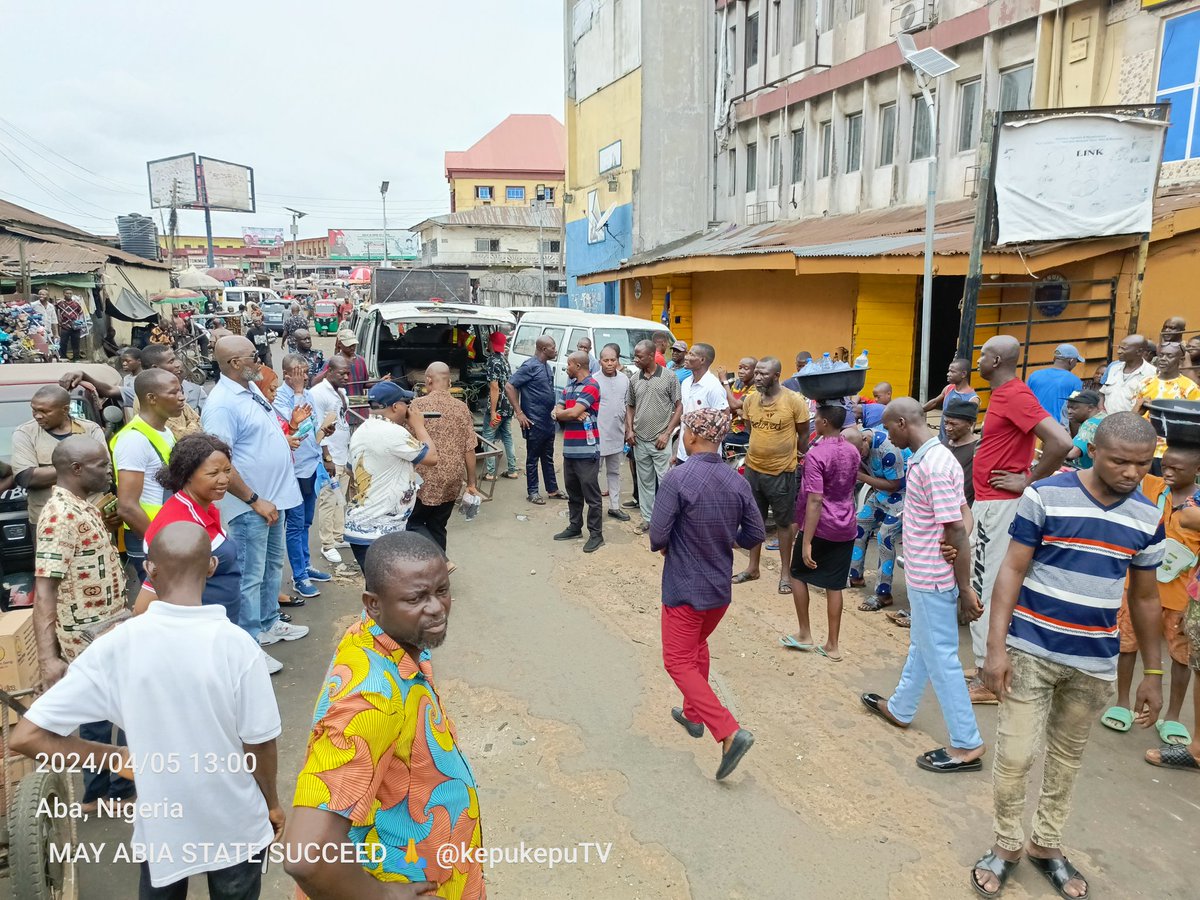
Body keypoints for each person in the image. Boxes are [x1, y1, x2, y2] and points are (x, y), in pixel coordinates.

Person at [16, 521, 283, 898]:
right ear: (211, 567)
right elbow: (260, 745)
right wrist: (271, 803)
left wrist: (115, 756)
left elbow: (26, 736)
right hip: (235, 823)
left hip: (163, 826)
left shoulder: (116, 646)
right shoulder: (237, 647)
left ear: (148, 568)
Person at [970, 413, 1167, 900]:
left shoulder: (1146, 518)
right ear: (1094, 451)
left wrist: (1153, 672)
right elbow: (1012, 570)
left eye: (1143, 464)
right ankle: (1007, 845)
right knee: (1015, 756)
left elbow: (1144, 599)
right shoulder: (1046, 495)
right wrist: (995, 649)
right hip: (1030, 650)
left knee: (1066, 760)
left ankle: (1047, 845)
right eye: (1121, 461)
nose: (1131, 473)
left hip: (1093, 663)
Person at [285, 532, 482, 899]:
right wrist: (383, 896)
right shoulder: (370, 698)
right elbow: (306, 855)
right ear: (373, 604)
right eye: (416, 598)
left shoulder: (387, 636)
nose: (437, 607)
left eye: (442, 590)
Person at [860, 398, 985, 772]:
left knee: (942, 657)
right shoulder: (929, 459)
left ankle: (967, 743)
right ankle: (900, 708)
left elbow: (958, 529)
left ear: (902, 423)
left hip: (934, 579)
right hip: (923, 573)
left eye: (888, 428)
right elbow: (962, 513)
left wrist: (965, 589)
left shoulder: (932, 465)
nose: (886, 436)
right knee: (924, 645)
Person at [649, 408, 763, 781]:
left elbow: (657, 536)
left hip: (684, 587)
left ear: (693, 438)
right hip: (718, 590)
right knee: (697, 645)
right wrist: (724, 535)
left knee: (677, 661)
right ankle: (693, 714)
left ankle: (728, 732)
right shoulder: (736, 481)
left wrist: (673, 542)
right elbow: (754, 534)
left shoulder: (677, 478)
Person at [968, 335, 1073, 704]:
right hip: (991, 501)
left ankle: (987, 676)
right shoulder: (1005, 395)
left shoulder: (1014, 394)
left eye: (982, 356)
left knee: (984, 583)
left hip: (1000, 505)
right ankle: (985, 663)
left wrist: (1028, 478)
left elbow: (1061, 442)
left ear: (996, 361)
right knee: (984, 579)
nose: (977, 361)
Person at [32, 436, 134, 811]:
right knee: (107, 712)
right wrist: (48, 658)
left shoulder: (80, 506)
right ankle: (110, 793)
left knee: (105, 711)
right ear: (76, 470)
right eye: (101, 465)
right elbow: (45, 591)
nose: (109, 471)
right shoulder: (60, 515)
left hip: (107, 627)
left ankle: (107, 791)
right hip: (88, 637)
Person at [201, 337, 308, 669]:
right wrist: (253, 499)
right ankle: (247, 647)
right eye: (255, 356)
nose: (261, 360)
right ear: (235, 363)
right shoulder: (222, 404)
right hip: (250, 507)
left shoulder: (250, 389)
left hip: (272, 500)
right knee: (249, 576)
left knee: (271, 567)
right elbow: (219, 461)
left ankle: (268, 622)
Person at [1101, 444, 1200, 745]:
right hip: (1139, 585)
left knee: (1180, 656)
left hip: (1181, 592)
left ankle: (1172, 716)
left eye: (1176, 468)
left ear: (1196, 470)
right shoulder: (1152, 487)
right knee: (1127, 644)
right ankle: (1122, 701)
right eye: (1164, 465)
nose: (1167, 471)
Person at [132, 433, 243, 625]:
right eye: (213, 473)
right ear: (188, 474)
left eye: (227, 470)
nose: (224, 479)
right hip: (200, 632)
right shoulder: (178, 527)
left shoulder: (204, 507)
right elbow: (148, 596)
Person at [784, 406, 860, 661]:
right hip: (846, 522)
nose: (814, 421)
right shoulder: (852, 449)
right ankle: (833, 645)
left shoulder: (817, 454)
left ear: (825, 422)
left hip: (821, 525)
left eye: (816, 418)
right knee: (835, 585)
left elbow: (815, 499)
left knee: (796, 573)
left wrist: (806, 541)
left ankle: (805, 633)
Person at [732, 357, 809, 593]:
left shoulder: (794, 401)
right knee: (754, 520)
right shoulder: (750, 401)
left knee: (784, 524)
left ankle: (785, 574)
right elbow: (749, 428)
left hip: (782, 472)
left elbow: (803, 435)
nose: (757, 377)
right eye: (756, 373)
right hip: (754, 470)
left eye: (763, 374)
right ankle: (752, 568)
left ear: (776, 376)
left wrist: (795, 458)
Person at [344, 382, 437, 571]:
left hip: (365, 524)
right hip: (377, 529)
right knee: (386, 592)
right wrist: (419, 426)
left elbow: (349, 469)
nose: (409, 409)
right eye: (406, 403)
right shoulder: (393, 432)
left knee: (381, 590)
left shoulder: (362, 430)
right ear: (395, 406)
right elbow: (432, 457)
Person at [111, 369, 184, 582]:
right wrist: (159, 545)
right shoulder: (134, 440)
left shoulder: (165, 432)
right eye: (173, 392)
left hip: (168, 532)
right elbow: (127, 507)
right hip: (150, 539)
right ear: (151, 398)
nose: (182, 397)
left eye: (180, 390)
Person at [275, 354, 335, 601]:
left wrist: (324, 430)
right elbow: (292, 426)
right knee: (296, 523)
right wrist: (298, 391)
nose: (304, 376)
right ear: (287, 375)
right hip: (294, 470)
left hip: (311, 465)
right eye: (298, 372)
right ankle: (299, 576)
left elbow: (311, 426)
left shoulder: (307, 394)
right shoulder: (280, 397)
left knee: (307, 521)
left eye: (306, 372)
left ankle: (306, 564)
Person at [11, 385, 106, 534]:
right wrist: (84, 468)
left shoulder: (90, 429)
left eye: (45, 411)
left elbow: (104, 475)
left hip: (93, 515)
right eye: (34, 410)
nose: (37, 416)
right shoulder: (25, 433)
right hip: (48, 520)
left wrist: (46, 472)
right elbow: (26, 478)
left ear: (65, 409)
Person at [410, 362, 481, 556]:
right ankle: (440, 572)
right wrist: (472, 483)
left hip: (424, 480)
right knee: (438, 526)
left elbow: (406, 443)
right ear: (449, 382)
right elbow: (470, 448)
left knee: (413, 523)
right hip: (453, 478)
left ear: (428, 380)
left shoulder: (418, 406)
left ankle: (440, 561)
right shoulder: (462, 408)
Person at [626, 339, 683, 533]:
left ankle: (669, 522)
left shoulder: (669, 377)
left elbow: (678, 407)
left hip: (661, 441)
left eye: (639, 356)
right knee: (645, 483)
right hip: (640, 440)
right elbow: (630, 406)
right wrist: (630, 431)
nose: (635, 359)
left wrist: (667, 434)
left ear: (651, 356)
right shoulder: (634, 379)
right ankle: (647, 520)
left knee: (666, 483)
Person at [849, 418, 906, 611]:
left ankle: (884, 593)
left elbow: (895, 484)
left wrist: (862, 477)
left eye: (860, 453)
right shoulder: (855, 441)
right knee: (859, 525)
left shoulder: (888, 450)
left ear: (865, 440)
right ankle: (855, 576)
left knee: (885, 537)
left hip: (901, 497)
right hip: (879, 493)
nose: (859, 458)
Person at [551, 351, 605, 553]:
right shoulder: (570, 386)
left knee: (591, 494)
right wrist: (564, 414)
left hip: (587, 450)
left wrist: (564, 414)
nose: (567, 368)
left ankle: (596, 535)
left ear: (579, 366)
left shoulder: (592, 385)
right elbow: (559, 410)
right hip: (570, 450)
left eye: (569, 364)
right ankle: (575, 527)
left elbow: (568, 412)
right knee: (573, 493)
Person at [506, 335, 565, 504]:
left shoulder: (546, 366)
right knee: (532, 458)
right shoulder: (530, 366)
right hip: (533, 421)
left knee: (548, 456)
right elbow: (510, 386)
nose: (556, 350)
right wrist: (519, 413)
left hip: (547, 421)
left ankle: (552, 489)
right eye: (553, 347)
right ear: (544, 349)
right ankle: (532, 492)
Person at [310, 356, 352, 566]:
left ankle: (337, 535)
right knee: (328, 499)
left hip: (343, 453)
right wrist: (326, 457)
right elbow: (318, 427)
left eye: (347, 373)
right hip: (330, 456)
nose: (346, 377)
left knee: (339, 497)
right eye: (342, 373)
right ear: (329, 372)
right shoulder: (318, 394)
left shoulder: (341, 392)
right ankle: (327, 544)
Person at [1133, 341, 1200, 465]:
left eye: (1169, 356)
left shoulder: (1190, 388)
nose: (1163, 359)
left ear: (1180, 360)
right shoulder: (1145, 383)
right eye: (1161, 355)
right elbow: (1135, 415)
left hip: (1172, 452)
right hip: (1144, 449)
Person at [595, 343, 631, 520]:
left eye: (613, 360)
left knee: (615, 472)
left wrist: (628, 430)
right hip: (598, 436)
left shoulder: (624, 379)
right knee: (594, 472)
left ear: (617, 361)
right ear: (600, 361)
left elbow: (627, 406)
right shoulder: (593, 380)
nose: (609, 363)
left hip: (618, 434)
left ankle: (614, 506)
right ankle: (594, 507)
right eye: (606, 360)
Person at [676, 342, 729, 463]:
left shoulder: (713, 387)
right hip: (683, 454)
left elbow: (724, 420)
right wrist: (677, 452)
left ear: (702, 360)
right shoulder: (686, 383)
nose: (686, 357)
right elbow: (684, 421)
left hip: (705, 457)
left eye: (691, 354)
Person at [482, 330, 518, 481]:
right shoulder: (504, 360)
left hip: (498, 408)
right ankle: (512, 470)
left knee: (488, 437)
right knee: (507, 437)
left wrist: (492, 411)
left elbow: (494, 387)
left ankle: (490, 473)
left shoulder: (492, 361)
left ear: (491, 343)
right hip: (508, 406)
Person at [1026, 343, 1084, 425]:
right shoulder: (1075, 381)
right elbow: (1076, 410)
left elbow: (1025, 400)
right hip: (1057, 430)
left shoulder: (1034, 375)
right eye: (1076, 361)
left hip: (1032, 426)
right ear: (1071, 361)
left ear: (1054, 358)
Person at [923, 358, 980, 441]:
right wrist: (919, 410)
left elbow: (971, 426)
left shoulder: (973, 399)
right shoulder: (948, 388)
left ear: (963, 374)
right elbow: (934, 403)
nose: (948, 374)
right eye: (949, 371)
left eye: (952, 372)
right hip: (942, 440)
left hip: (955, 444)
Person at [1099, 334, 1154, 413]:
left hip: (1131, 423)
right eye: (1119, 347)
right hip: (1107, 420)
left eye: (1123, 349)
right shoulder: (1114, 368)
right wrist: (1101, 409)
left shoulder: (1152, 374)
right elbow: (1102, 393)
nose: (1119, 351)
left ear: (1139, 352)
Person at [941, 399, 979, 507]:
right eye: (946, 423)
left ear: (970, 424)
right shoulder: (944, 443)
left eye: (953, 424)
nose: (948, 428)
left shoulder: (976, 451)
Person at [1062, 389, 1106, 470]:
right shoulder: (1104, 418)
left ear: (1090, 408)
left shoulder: (1090, 425)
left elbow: (1071, 454)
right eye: (1068, 408)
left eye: (1074, 408)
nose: (1069, 411)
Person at [720, 356, 758, 448]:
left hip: (745, 431)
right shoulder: (737, 383)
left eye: (746, 368)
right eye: (740, 368)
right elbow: (729, 405)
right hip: (731, 427)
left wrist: (725, 382)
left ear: (755, 371)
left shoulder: (756, 388)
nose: (741, 371)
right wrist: (738, 409)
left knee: (716, 439)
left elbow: (733, 405)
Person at [56, 289, 86, 361]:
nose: (69, 295)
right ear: (64, 294)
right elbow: (54, 310)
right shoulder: (59, 303)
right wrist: (59, 320)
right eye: (67, 293)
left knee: (75, 343)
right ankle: (63, 357)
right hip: (64, 326)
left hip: (75, 326)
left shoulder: (76, 304)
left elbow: (81, 313)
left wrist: (79, 322)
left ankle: (76, 358)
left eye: (70, 293)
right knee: (63, 343)